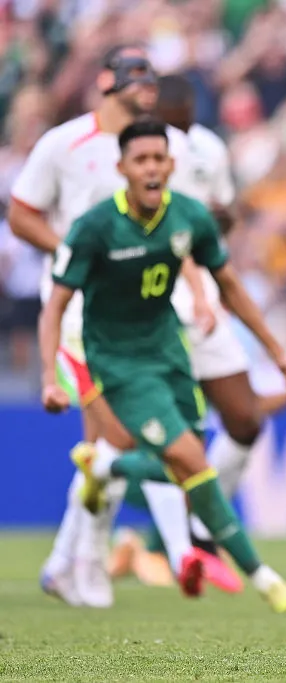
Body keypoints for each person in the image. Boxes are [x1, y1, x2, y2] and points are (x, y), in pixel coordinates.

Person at [38, 118, 286, 613]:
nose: (151, 169)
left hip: (169, 351)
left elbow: (230, 285)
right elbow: (55, 305)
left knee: (180, 466)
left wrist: (276, 352)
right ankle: (265, 579)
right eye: (140, 160)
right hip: (119, 364)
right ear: (121, 168)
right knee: (193, 460)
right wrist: (47, 378)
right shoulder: (96, 227)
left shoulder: (188, 217)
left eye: (158, 159)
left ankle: (106, 465)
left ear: (171, 165)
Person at [103, 74, 286, 592]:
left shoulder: (206, 151)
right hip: (154, 314)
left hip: (204, 306)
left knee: (242, 419)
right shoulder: (127, 171)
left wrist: (277, 354)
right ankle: (158, 536)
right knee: (178, 442)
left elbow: (215, 231)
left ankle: (182, 534)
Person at [8, 45, 203, 607]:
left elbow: (176, 222)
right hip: (77, 313)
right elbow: (22, 212)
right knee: (120, 435)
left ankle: (66, 562)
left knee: (111, 443)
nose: (145, 85)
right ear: (106, 83)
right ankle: (101, 560)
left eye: (150, 77)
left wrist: (192, 286)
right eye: (133, 76)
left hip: (143, 313)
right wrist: (72, 253)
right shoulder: (63, 144)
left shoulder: (166, 146)